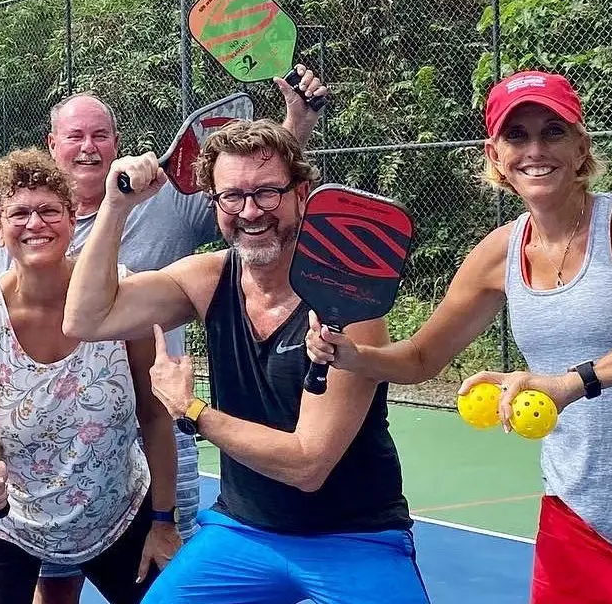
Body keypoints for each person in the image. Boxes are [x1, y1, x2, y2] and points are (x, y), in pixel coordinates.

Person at [305, 70, 612, 604]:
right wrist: (352, 354)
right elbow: (420, 358)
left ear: (581, 148)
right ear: (495, 155)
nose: (535, 149)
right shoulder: (498, 252)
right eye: (516, 136)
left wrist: (572, 383)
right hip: (575, 517)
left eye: (552, 133)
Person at [0, 71, 329, 604]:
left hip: (163, 419)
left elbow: (250, 198)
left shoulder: (164, 198)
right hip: (64, 446)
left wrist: (296, 125)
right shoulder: (29, 226)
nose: (87, 147)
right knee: (55, 585)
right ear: (53, 145)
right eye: (75, 136)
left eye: (99, 135)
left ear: (116, 143)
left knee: (168, 560)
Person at [65, 119, 428, 604]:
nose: (250, 211)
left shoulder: (347, 307)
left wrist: (191, 411)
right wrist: (116, 207)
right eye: (231, 197)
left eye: (267, 193)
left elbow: (307, 464)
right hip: (243, 532)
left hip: (354, 537)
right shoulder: (208, 278)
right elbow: (86, 317)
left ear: (302, 193)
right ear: (214, 204)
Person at [0, 148, 181, 604]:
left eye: (49, 210)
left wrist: (164, 521)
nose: (35, 223)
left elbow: (154, 416)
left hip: (115, 512)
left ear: (72, 220)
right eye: (20, 213)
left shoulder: (122, 298)